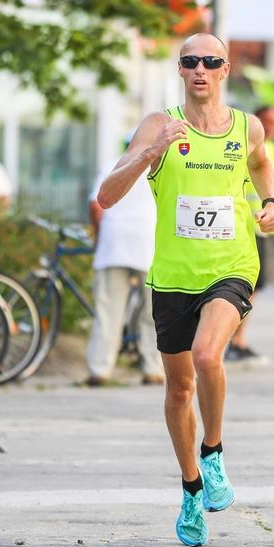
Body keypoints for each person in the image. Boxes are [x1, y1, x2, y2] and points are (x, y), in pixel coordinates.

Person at [96, 33, 274, 547]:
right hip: (173, 276)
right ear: (180, 69)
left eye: (211, 61)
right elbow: (107, 196)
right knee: (178, 389)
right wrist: (151, 152)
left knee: (207, 356)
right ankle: (191, 489)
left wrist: (272, 204)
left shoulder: (248, 126)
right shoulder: (159, 125)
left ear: (225, 70)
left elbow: (262, 163)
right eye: (190, 61)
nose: (200, 68)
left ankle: (214, 452)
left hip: (233, 266)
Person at [84, 139, 163, 387]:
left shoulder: (111, 166)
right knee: (154, 312)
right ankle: (153, 368)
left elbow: (96, 206)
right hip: (149, 244)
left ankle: (100, 369)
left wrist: (98, 236)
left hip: (113, 244)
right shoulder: (161, 167)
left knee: (108, 310)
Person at [226, 105, 274, 363]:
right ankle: (232, 340)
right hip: (243, 226)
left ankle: (237, 339)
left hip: (263, 228)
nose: (272, 126)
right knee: (244, 287)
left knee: (254, 288)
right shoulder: (243, 142)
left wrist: (272, 209)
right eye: (267, 121)